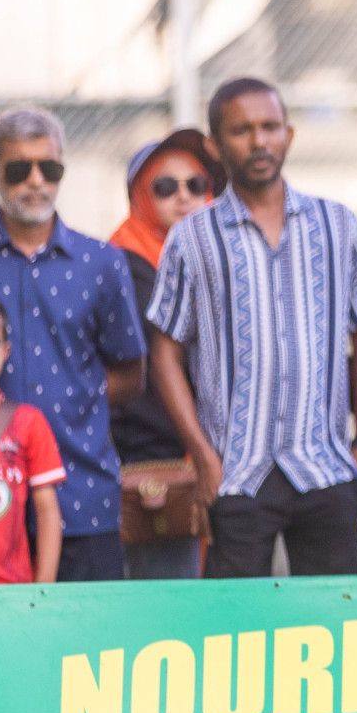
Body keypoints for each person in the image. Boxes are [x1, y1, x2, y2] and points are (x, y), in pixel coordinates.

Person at [148, 77, 357, 578]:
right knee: (234, 636)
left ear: (289, 135)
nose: (258, 142)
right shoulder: (192, 238)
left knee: (333, 630)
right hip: (235, 474)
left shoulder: (337, 225)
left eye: (270, 127)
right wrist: (202, 455)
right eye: (241, 130)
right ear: (214, 145)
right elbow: (164, 352)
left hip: (326, 467)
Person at [0, 108, 145, 582]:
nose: (37, 181)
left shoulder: (101, 262)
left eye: (51, 168)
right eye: (20, 169)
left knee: (92, 646)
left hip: (82, 492)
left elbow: (130, 370)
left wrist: (73, 401)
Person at [108, 128, 223, 579]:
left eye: (196, 184)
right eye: (164, 186)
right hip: (156, 464)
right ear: (140, 194)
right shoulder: (118, 266)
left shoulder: (230, 259)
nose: (184, 197)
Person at [0, 289, 64, 584]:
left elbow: (47, 516)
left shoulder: (28, 424)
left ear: (6, 351)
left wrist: (42, 594)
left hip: (13, 599)